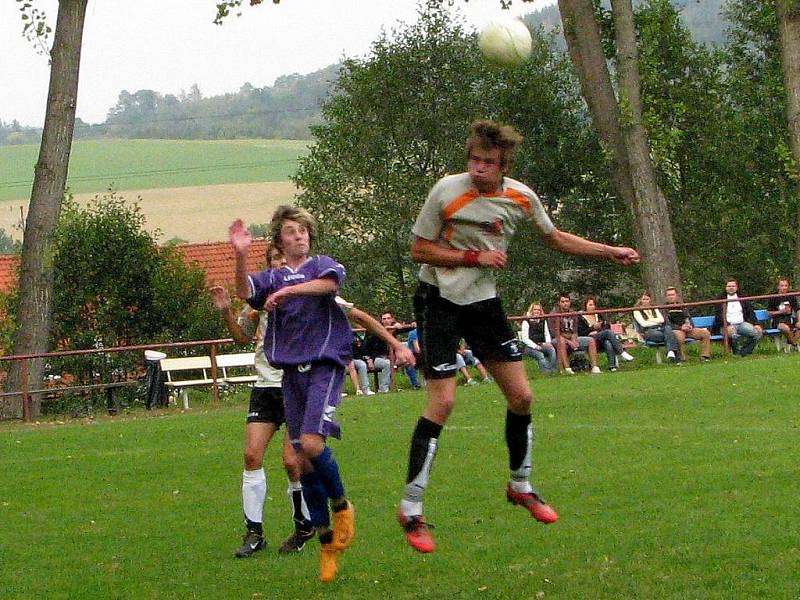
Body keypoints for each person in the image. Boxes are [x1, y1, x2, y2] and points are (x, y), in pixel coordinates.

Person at [398, 119, 639, 553]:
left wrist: (610, 251)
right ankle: (411, 510)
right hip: (438, 299)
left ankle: (520, 485)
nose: (479, 168)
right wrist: (475, 256)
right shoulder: (446, 191)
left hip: (483, 302)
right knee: (444, 401)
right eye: (473, 159)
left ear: (504, 164)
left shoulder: (520, 197)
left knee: (523, 397)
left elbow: (556, 238)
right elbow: (419, 249)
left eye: (488, 162)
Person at [231, 206, 356, 583]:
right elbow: (244, 291)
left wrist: (288, 291)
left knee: (313, 446)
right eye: (290, 231)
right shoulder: (271, 277)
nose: (298, 235)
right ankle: (326, 542)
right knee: (301, 458)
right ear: (279, 240)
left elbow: (329, 286)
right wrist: (239, 254)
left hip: (324, 366)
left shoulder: (322, 265)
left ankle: (342, 506)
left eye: (303, 230)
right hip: (290, 374)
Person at [210, 245, 314, 559]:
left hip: (296, 384)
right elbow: (241, 337)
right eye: (274, 261)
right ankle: (254, 532)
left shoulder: (306, 294)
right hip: (265, 386)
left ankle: (303, 524)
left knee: (291, 461)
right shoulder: (258, 302)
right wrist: (227, 311)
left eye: (284, 260)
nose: (280, 265)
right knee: (251, 454)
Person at [548, 293, 601, 375]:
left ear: (570, 302)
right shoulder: (553, 314)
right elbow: (555, 333)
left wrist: (574, 340)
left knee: (590, 340)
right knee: (561, 341)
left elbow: (575, 330)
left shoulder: (573, 313)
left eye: (567, 301)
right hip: (558, 339)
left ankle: (595, 367)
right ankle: (567, 368)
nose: (565, 303)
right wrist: (569, 342)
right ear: (559, 303)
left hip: (572, 337)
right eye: (563, 301)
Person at [578, 296, 635, 372]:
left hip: (600, 337)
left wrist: (599, 330)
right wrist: (592, 328)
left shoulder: (598, 315)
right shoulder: (581, 317)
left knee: (608, 342)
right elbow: (581, 332)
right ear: (585, 306)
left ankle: (612, 366)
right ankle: (621, 352)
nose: (592, 307)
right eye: (590, 305)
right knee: (608, 332)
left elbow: (606, 326)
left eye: (594, 305)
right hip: (590, 339)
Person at [712, 279, 762, 356]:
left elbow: (750, 312)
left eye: (733, 286)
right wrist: (727, 325)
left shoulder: (742, 297)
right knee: (733, 335)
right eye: (729, 286)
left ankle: (744, 352)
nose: (731, 288)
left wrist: (756, 324)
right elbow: (718, 316)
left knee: (757, 333)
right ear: (725, 287)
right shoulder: (720, 299)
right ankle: (736, 353)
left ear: (737, 287)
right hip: (725, 326)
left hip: (742, 324)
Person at [663, 287, 712, 362]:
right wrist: (681, 327)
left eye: (672, 294)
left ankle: (705, 356)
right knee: (680, 337)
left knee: (705, 333)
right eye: (669, 295)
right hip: (676, 329)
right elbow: (667, 323)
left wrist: (689, 325)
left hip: (688, 329)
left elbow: (688, 317)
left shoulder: (682, 306)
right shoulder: (664, 308)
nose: (671, 296)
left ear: (676, 296)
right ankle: (683, 358)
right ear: (666, 297)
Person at [633, 291, 680, 363]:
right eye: (643, 299)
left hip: (660, 329)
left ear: (650, 300)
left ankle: (670, 352)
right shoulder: (637, 310)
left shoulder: (654, 308)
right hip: (648, 331)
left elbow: (661, 320)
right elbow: (643, 324)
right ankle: (673, 354)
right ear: (640, 300)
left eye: (647, 299)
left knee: (668, 328)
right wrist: (655, 321)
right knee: (670, 334)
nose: (645, 301)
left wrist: (649, 320)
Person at [519, 302, 558, 373]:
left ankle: (554, 370)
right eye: (535, 309)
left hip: (541, 343)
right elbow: (525, 339)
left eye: (538, 310)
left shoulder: (543, 321)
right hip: (529, 347)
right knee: (540, 355)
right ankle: (546, 372)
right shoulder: (526, 322)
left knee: (552, 350)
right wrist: (535, 346)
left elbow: (546, 334)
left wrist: (548, 342)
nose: (537, 311)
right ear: (531, 310)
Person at [766, 277, 799, 349]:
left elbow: (798, 310)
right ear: (778, 287)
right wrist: (780, 312)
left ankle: (790, 343)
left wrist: (799, 320)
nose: (784, 288)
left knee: (799, 325)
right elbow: (768, 313)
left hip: (789, 319)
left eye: (786, 286)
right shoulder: (773, 296)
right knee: (785, 328)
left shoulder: (791, 296)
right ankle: (794, 344)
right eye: (782, 286)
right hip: (778, 320)